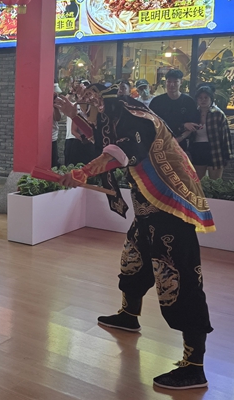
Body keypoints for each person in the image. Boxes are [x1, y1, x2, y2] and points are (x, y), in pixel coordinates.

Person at [55, 83, 214, 390]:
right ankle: (129, 314)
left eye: (89, 105)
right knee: (134, 260)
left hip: (170, 206)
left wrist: (83, 172)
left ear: (104, 104)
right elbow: (104, 140)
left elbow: (122, 153)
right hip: (147, 207)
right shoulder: (119, 117)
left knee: (178, 279)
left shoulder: (138, 119)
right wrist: (74, 116)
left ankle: (194, 366)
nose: (88, 111)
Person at [149, 69, 199, 153]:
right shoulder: (156, 101)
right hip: (160, 143)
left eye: (175, 82)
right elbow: (151, 123)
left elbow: (193, 125)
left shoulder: (188, 102)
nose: (172, 85)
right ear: (165, 82)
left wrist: (179, 139)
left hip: (182, 143)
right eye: (169, 82)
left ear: (181, 82)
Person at [190, 85, 233, 180]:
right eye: (200, 98)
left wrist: (227, 155)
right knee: (197, 182)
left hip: (215, 150)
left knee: (215, 182)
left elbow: (226, 136)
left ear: (211, 98)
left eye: (206, 97)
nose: (203, 100)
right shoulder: (194, 113)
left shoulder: (218, 114)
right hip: (198, 149)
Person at [52, 84, 62, 168]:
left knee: (53, 163)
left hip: (52, 137)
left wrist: (55, 107)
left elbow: (57, 118)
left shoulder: (57, 102)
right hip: (40, 137)